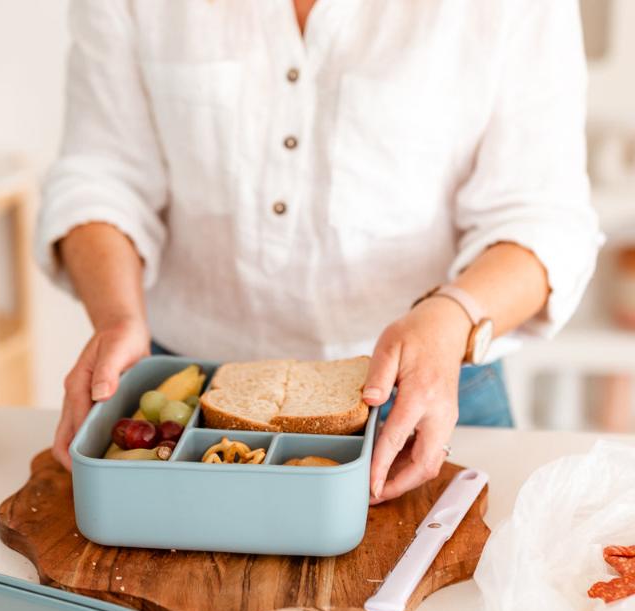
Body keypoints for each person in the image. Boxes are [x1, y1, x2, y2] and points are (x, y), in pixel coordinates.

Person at [37, 0, 600, 502]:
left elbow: (542, 216)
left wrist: (452, 315)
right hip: (183, 391)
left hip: (433, 393)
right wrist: (116, 317)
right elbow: (102, 174)